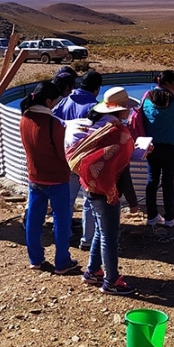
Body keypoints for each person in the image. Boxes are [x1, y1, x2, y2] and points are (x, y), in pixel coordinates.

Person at [69, 87, 137, 295]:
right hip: (106, 189)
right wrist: (133, 201)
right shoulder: (119, 134)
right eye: (128, 108)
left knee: (100, 229)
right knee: (110, 235)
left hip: (89, 185)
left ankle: (92, 270)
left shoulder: (97, 127)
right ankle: (111, 280)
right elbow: (122, 168)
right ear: (122, 109)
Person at [20, 81, 79, 274]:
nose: (56, 104)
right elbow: (61, 153)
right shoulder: (54, 124)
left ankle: (35, 258)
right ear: (47, 100)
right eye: (55, 101)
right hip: (57, 178)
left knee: (34, 219)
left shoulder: (25, 117)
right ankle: (62, 261)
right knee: (61, 220)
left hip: (35, 177)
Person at [55, 70, 104, 250]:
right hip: (86, 161)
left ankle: (63, 233)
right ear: (97, 89)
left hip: (65, 158)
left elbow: (54, 120)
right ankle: (88, 239)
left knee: (66, 200)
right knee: (88, 201)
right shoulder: (94, 107)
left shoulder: (65, 100)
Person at [142, 71, 174, 227]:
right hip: (170, 147)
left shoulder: (147, 98)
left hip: (151, 146)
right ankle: (169, 218)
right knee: (168, 182)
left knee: (152, 180)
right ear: (171, 83)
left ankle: (151, 216)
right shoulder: (172, 100)